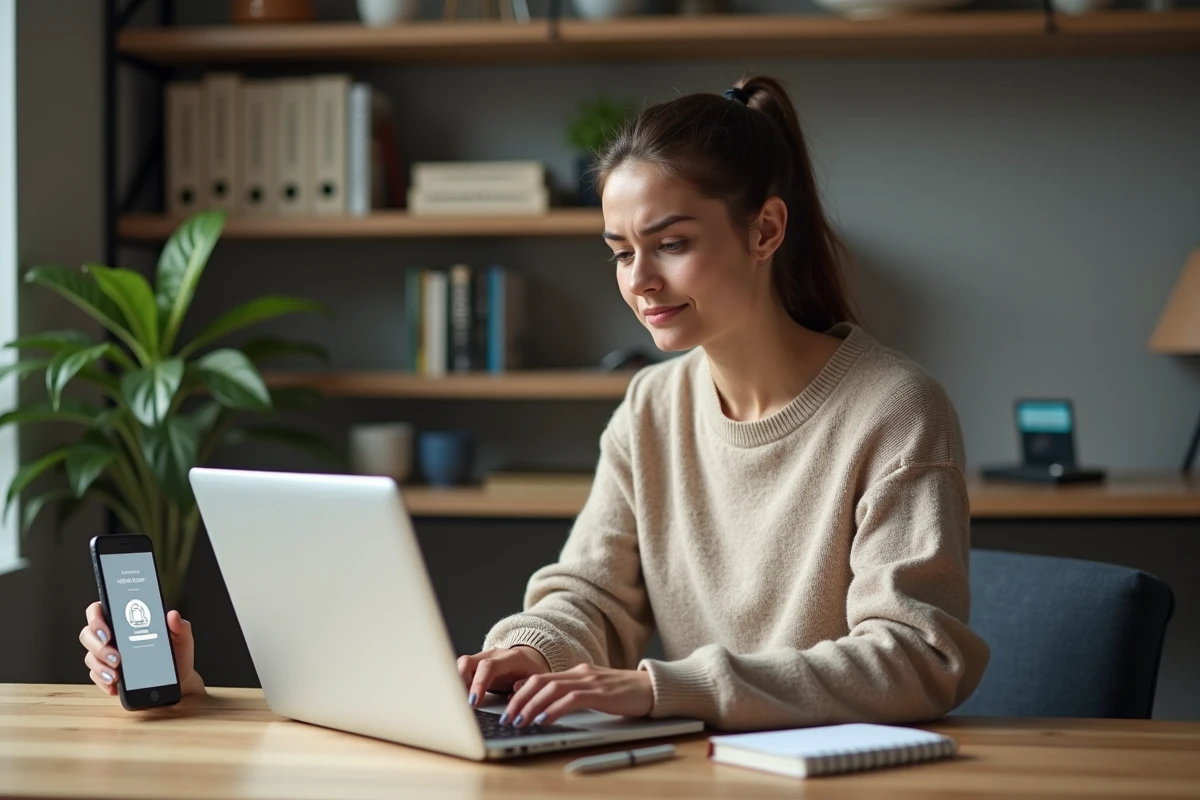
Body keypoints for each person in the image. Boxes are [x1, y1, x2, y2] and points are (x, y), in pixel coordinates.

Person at [79, 75, 989, 731]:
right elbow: (585, 592)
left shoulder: (894, 409)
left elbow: (918, 656)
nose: (640, 281)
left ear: (765, 228)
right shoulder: (650, 406)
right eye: (619, 250)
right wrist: (530, 652)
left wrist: (657, 688)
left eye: (670, 243)